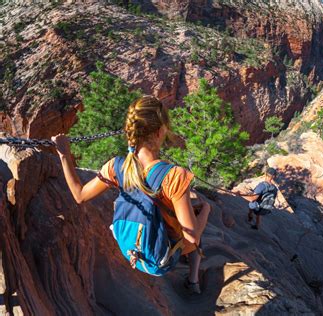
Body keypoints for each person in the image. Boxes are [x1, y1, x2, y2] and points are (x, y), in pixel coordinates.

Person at [51, 95, 210, 294]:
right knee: (197, 222)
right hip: (163, 260)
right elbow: (192, 238)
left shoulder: (116, 166)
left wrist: (65, 155)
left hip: (130, 249)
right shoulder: (175, 176)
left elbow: (79, 195)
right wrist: (206, 210)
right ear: (160, 132)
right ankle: (193, 280)